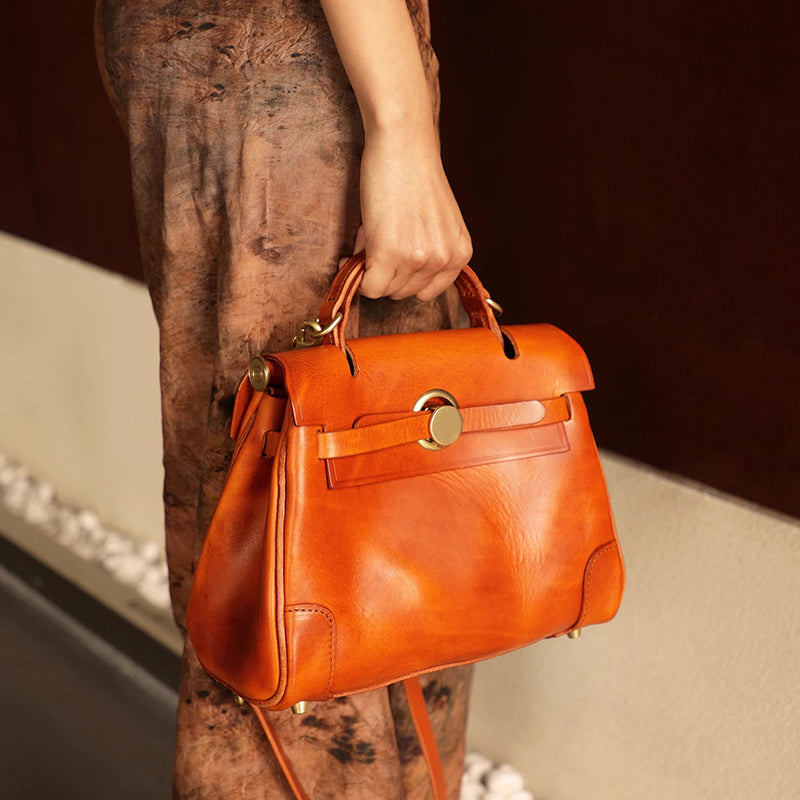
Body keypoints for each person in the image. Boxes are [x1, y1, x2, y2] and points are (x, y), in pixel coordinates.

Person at [95, 0, 473, 796]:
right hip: (288, 55)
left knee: (311, 494)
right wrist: (402, 127)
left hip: (241, 60)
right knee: (306, 526)